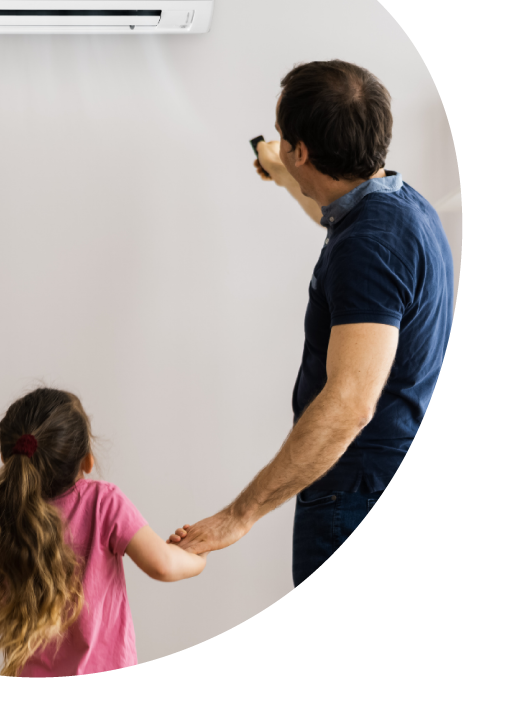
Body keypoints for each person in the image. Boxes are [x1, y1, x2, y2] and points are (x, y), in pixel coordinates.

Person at [169, 60, 453, 587]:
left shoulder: (368, 247)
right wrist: (283, 175)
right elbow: (338, 219)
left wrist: (240, 514)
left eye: (285, 142)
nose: (279, 146)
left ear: (304, 151)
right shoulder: (399, 205)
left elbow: (349, 404)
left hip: (354, 495)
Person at [0, 387, 207, 676]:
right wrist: (197, 556)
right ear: (87, 460)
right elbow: (163, 565)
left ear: (8, 460)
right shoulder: (104, 502)